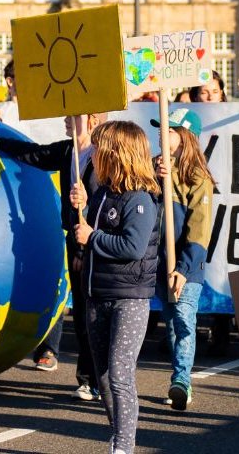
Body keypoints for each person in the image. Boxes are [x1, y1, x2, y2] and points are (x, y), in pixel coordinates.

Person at [0, 115, 101, 389]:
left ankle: (102, 379)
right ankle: (88, 380)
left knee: (97, 313)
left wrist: (89, 202)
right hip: (76, 239)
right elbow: (33, 154)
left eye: (74, 116)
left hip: (99, 239)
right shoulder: (67, 151)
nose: (67, 120)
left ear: (92, 120)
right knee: (83, 311)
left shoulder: (103, 156)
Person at [70, 120, 162, 454]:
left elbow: (133, 247)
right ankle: (117, 433)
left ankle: (123, 445)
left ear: (117, 154)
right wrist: (79, 208)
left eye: (98, 148)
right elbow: (84, 231)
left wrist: (92, 237)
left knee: (120, 374)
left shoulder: (140, 200)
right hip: (97, 294)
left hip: (129, 298)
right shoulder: (103, 192)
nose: (92, 154)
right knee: (105, 376)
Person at [150, 111, 216, 411]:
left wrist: (184, 268)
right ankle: (180, 375)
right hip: (159, 263)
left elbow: (200, 229)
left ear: (185, 137)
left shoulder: (198, 178)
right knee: (172, 326)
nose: (163, 136)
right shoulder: (153, 168)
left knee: (184, 321)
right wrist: (154, 177)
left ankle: (181, 381)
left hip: (186, 268)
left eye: (171, 131)